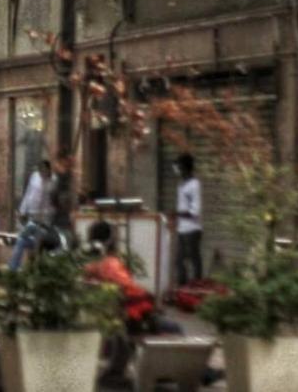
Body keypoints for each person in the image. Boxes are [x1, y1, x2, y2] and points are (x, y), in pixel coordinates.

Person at [85, 221, 222, 387]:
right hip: (130, 320)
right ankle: (196, 373)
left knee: (160, 327)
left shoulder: (90, 265)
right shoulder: (110, 264)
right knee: (173, 329)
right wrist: (151, 305)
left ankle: (116, 372)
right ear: (110, 239)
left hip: (114, 318)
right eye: (115, 235)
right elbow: (128, 290)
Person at [8, 159, 54, 270]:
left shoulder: (52, 182)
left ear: (49, 170)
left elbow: (52, 201)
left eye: (44, 170)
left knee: (29, 240)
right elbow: (29, 193)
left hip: (45, 220)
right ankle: (13, 268)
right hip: (32, 216)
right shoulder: (35, 176)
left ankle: (26, 267)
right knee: (22, 239)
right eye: (40, 169)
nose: (42, 172)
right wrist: (22, 210)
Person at [174, 152, 203, 285]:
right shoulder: (181, 185)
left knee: (193, 259)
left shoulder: (194, 185)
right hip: (182, 229)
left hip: (192, 229)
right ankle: (183, 288)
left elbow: (195, 211)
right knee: (179, 260)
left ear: (185, 167)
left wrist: (177, 214)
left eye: (179, 166)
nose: (177, 169)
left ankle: (197, 286)